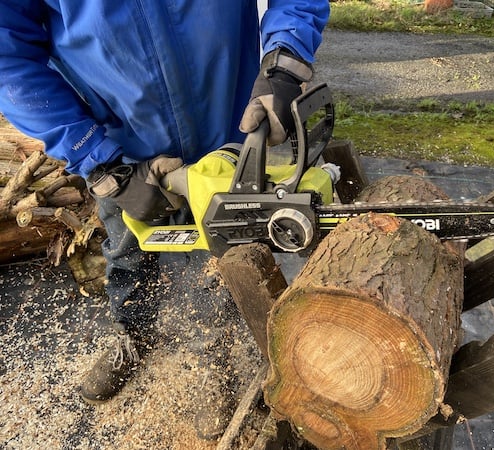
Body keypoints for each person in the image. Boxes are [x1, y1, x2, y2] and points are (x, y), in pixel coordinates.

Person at [0, 1, 329, 405]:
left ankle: (218, 355)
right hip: (124, 148)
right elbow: (8, 55)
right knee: (125, 249)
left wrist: (284, 61)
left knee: (226, 257)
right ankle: (133, 335)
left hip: (227, 133)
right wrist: (99, 161)